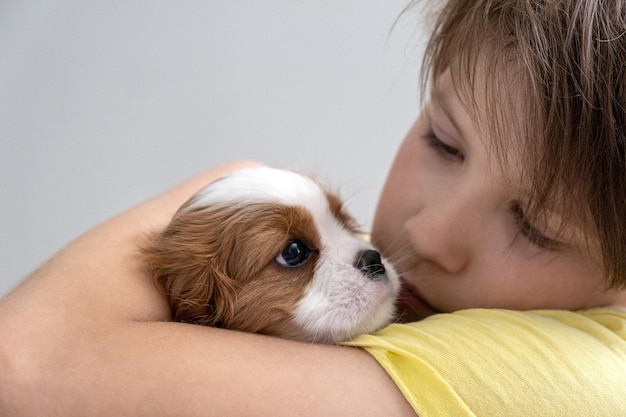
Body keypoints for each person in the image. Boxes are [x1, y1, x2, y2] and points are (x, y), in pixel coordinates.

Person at [2, 0, 626, 415]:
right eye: (444, 139)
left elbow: (20, 365)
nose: (428, 236)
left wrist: (232, 178)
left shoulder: (572, 381)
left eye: (536, 227)